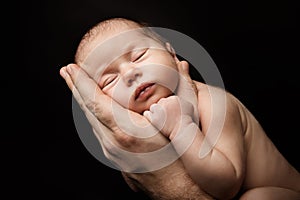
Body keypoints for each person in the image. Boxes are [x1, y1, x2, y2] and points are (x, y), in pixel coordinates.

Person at [60, 17, 300, 199]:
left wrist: (181, 128)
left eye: (139, 55)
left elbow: (227, 186)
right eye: (109, 80)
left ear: (170, 52)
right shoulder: (140, 128)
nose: (129, 74)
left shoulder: (215, 104)